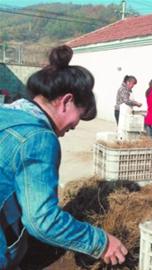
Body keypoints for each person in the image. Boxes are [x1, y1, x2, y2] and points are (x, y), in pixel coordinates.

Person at [0, 45, 127, 269]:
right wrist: (102, 242)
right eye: (80, 115)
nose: (76, 126)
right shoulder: (39, 139)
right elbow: (42, 221)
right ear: (66, 101)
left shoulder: (6, 114)